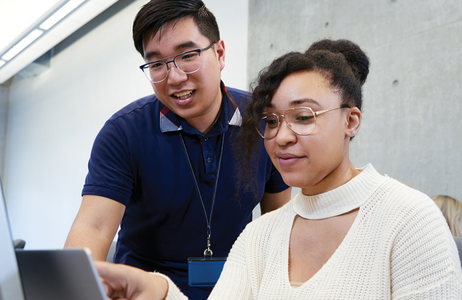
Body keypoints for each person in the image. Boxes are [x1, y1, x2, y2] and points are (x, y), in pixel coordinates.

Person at [92, 39, 462, 299]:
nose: (281, 137)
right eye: (270, 121)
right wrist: (158, 292)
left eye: (303, 116)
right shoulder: (261, 235)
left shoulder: (410, 218)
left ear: (351, 121)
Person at [63, 1, 291, 299]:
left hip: (236, 288)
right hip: (147, 291)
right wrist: (74, 290)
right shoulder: (124, 132)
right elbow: (93, 229)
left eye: (187, 56)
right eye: (157, 64)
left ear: (219, 53)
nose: (174, 77)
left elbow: (280, 221)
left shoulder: (262, 121)